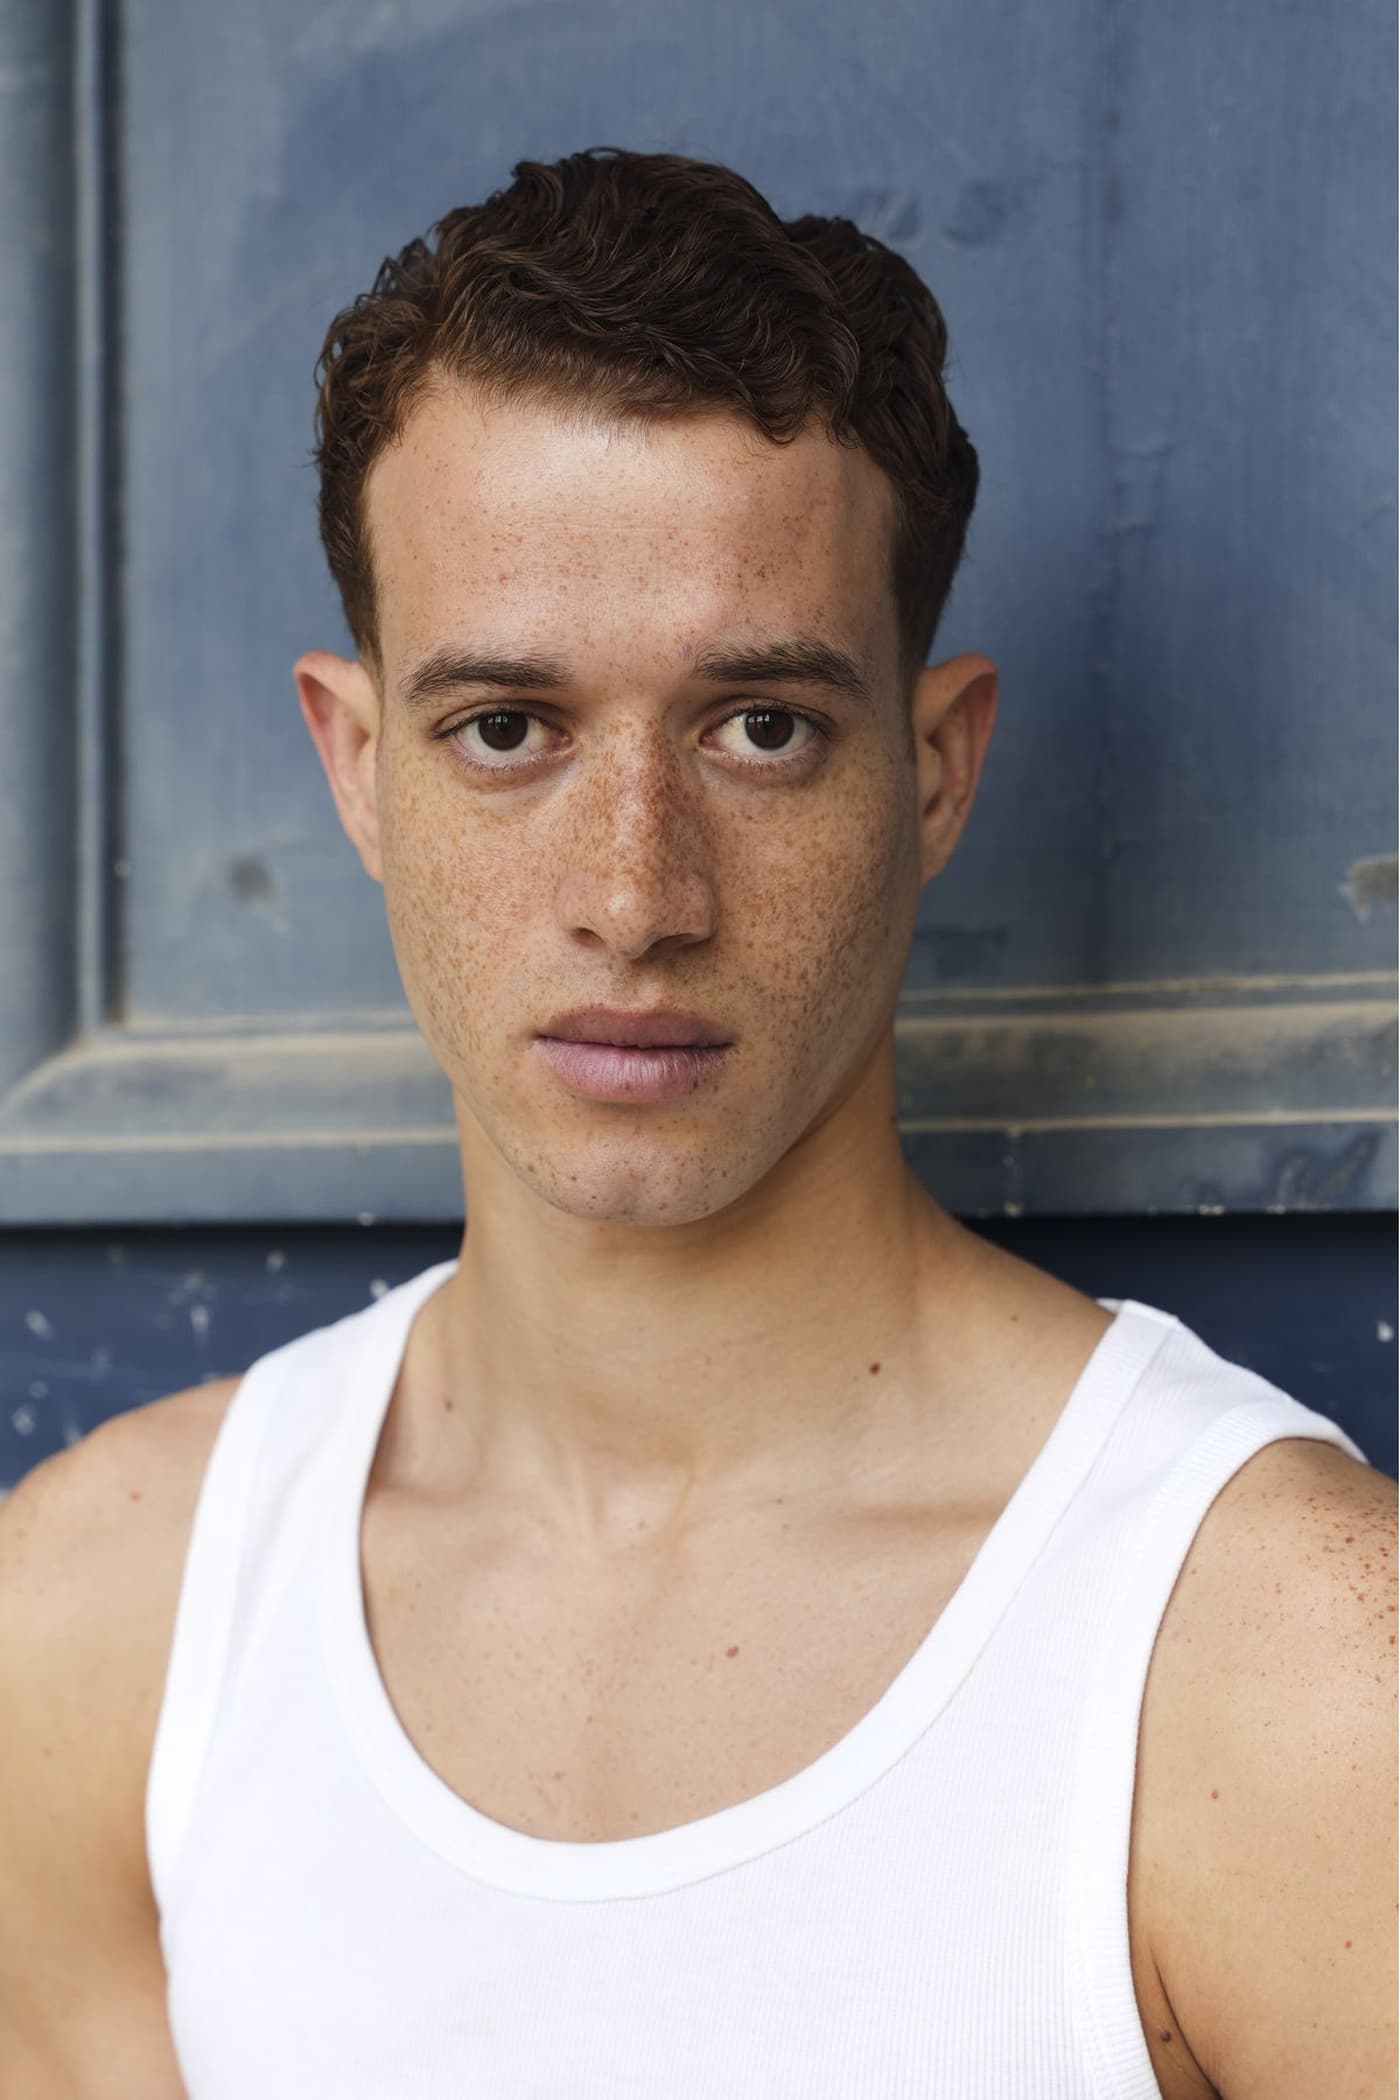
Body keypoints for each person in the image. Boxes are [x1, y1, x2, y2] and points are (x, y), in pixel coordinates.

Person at [1, 146, 1393, 2100]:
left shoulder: (1290, 1665)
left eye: (762, 728)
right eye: (506, 730)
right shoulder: (101, 1622)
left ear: (933, 771)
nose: (636, 896)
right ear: (358, 765)